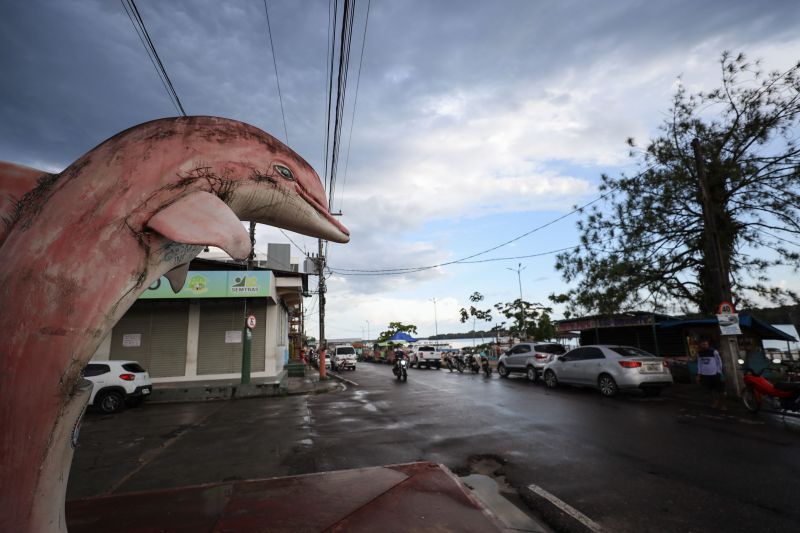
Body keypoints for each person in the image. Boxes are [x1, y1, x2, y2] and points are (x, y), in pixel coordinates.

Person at [696, 338, 726, 410]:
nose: (704, 345)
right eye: (703, 344)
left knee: (721, 391)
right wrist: (699, 374)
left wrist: (718, 371)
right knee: (710, 391)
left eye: (705, 344)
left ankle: (722, 404)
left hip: (715, 374)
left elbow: (719, 362)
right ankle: (715, 402)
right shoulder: (699, 353)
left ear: (708, 344)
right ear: (700, 345)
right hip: (705, 375)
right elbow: (699, 364)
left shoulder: (714, 352)